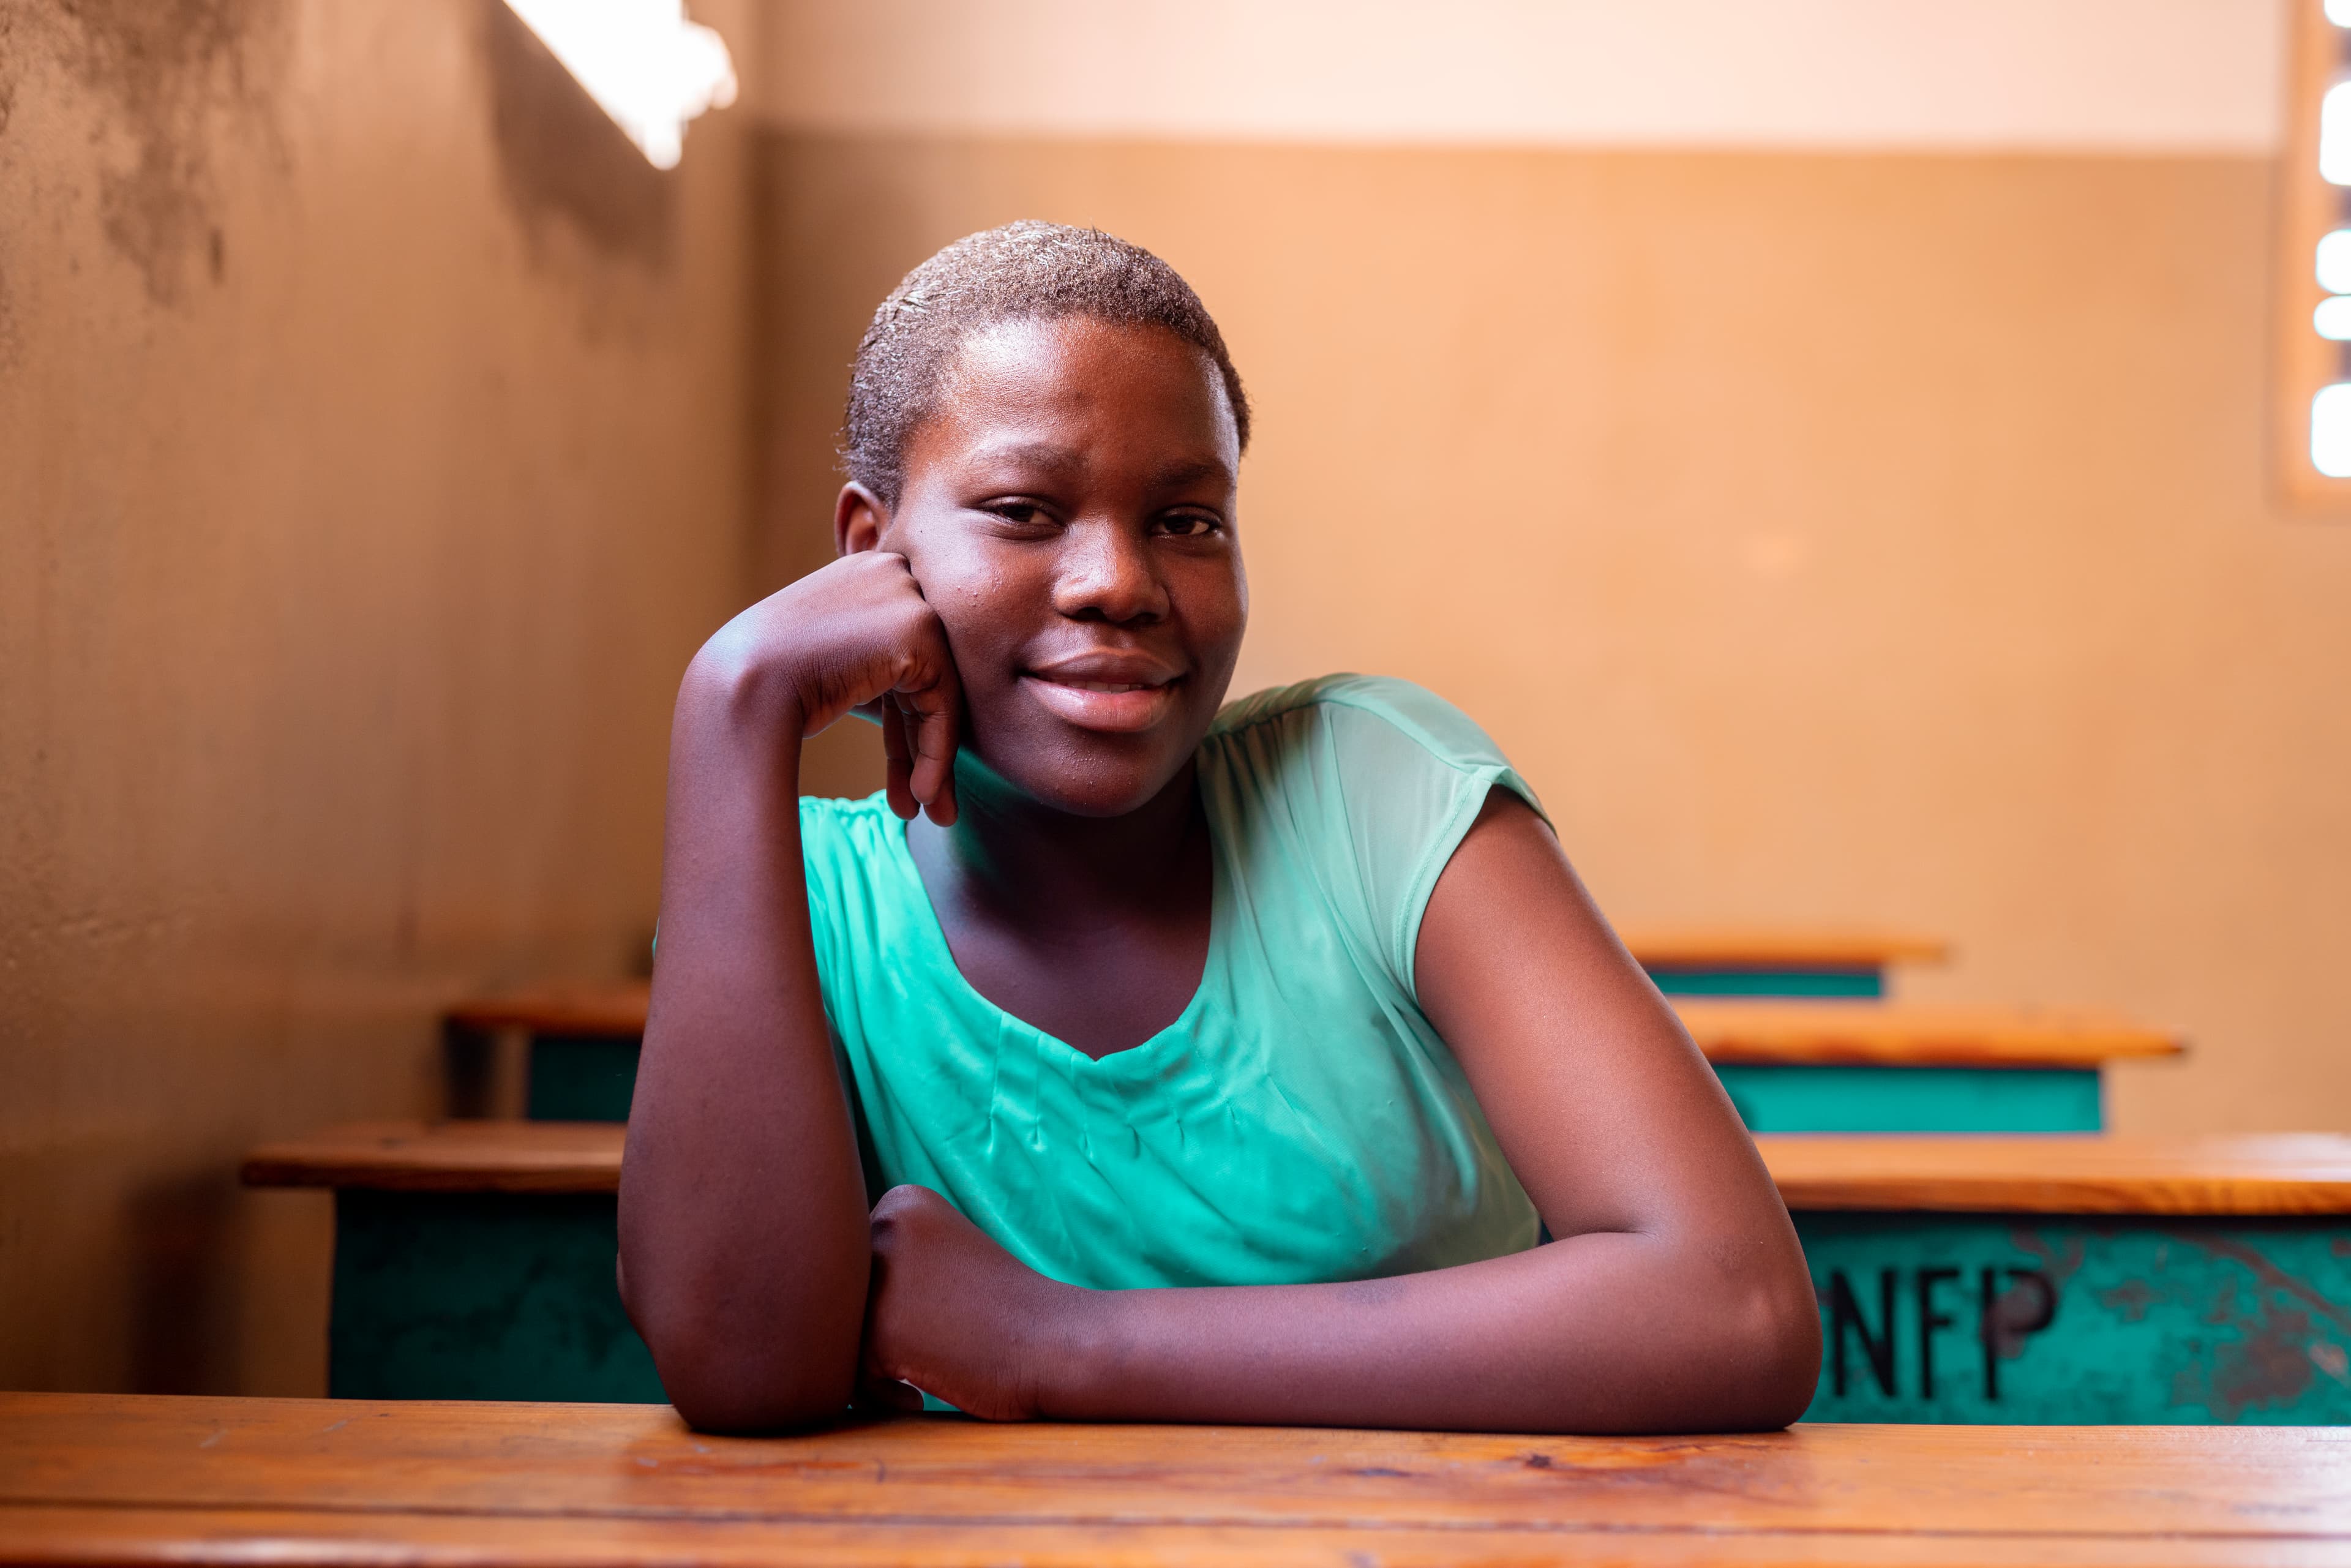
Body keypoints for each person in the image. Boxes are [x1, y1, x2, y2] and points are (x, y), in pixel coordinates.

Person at [617, 222, 1820, 1434]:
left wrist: (1066, 1345)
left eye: (1187, 521)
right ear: (871, 559)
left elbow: (1735, 1309)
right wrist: (737, 703)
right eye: (1027, 510)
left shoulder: (1370, 796)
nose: (1119, 582)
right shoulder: (809, 911)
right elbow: (746, 1369)